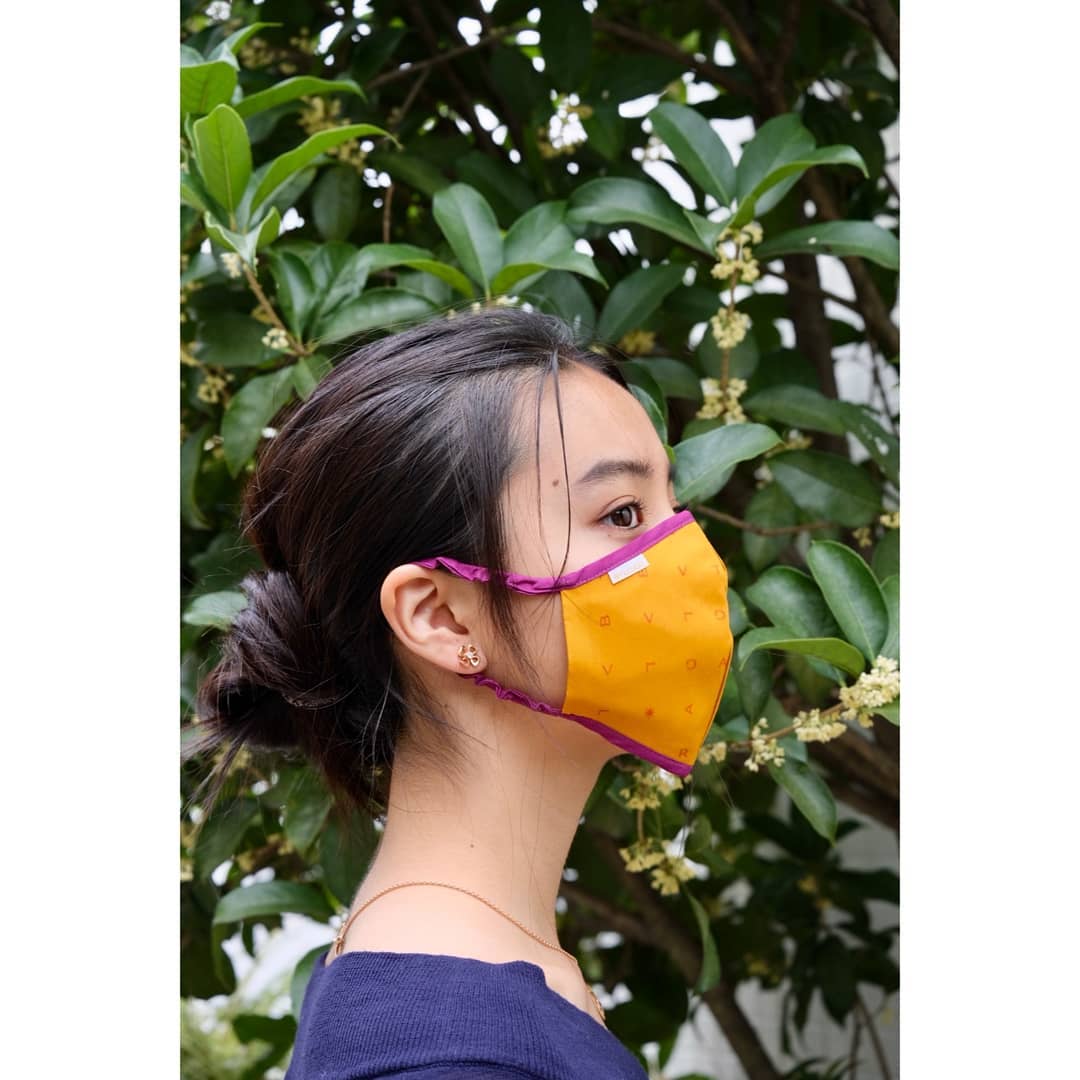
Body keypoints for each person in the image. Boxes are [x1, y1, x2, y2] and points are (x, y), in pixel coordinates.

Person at [186, 306, 733, 1079]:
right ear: (441, 616)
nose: (691, 559)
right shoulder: (451, 1058)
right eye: (622, 514)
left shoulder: (466, 974)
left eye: (669, 509)